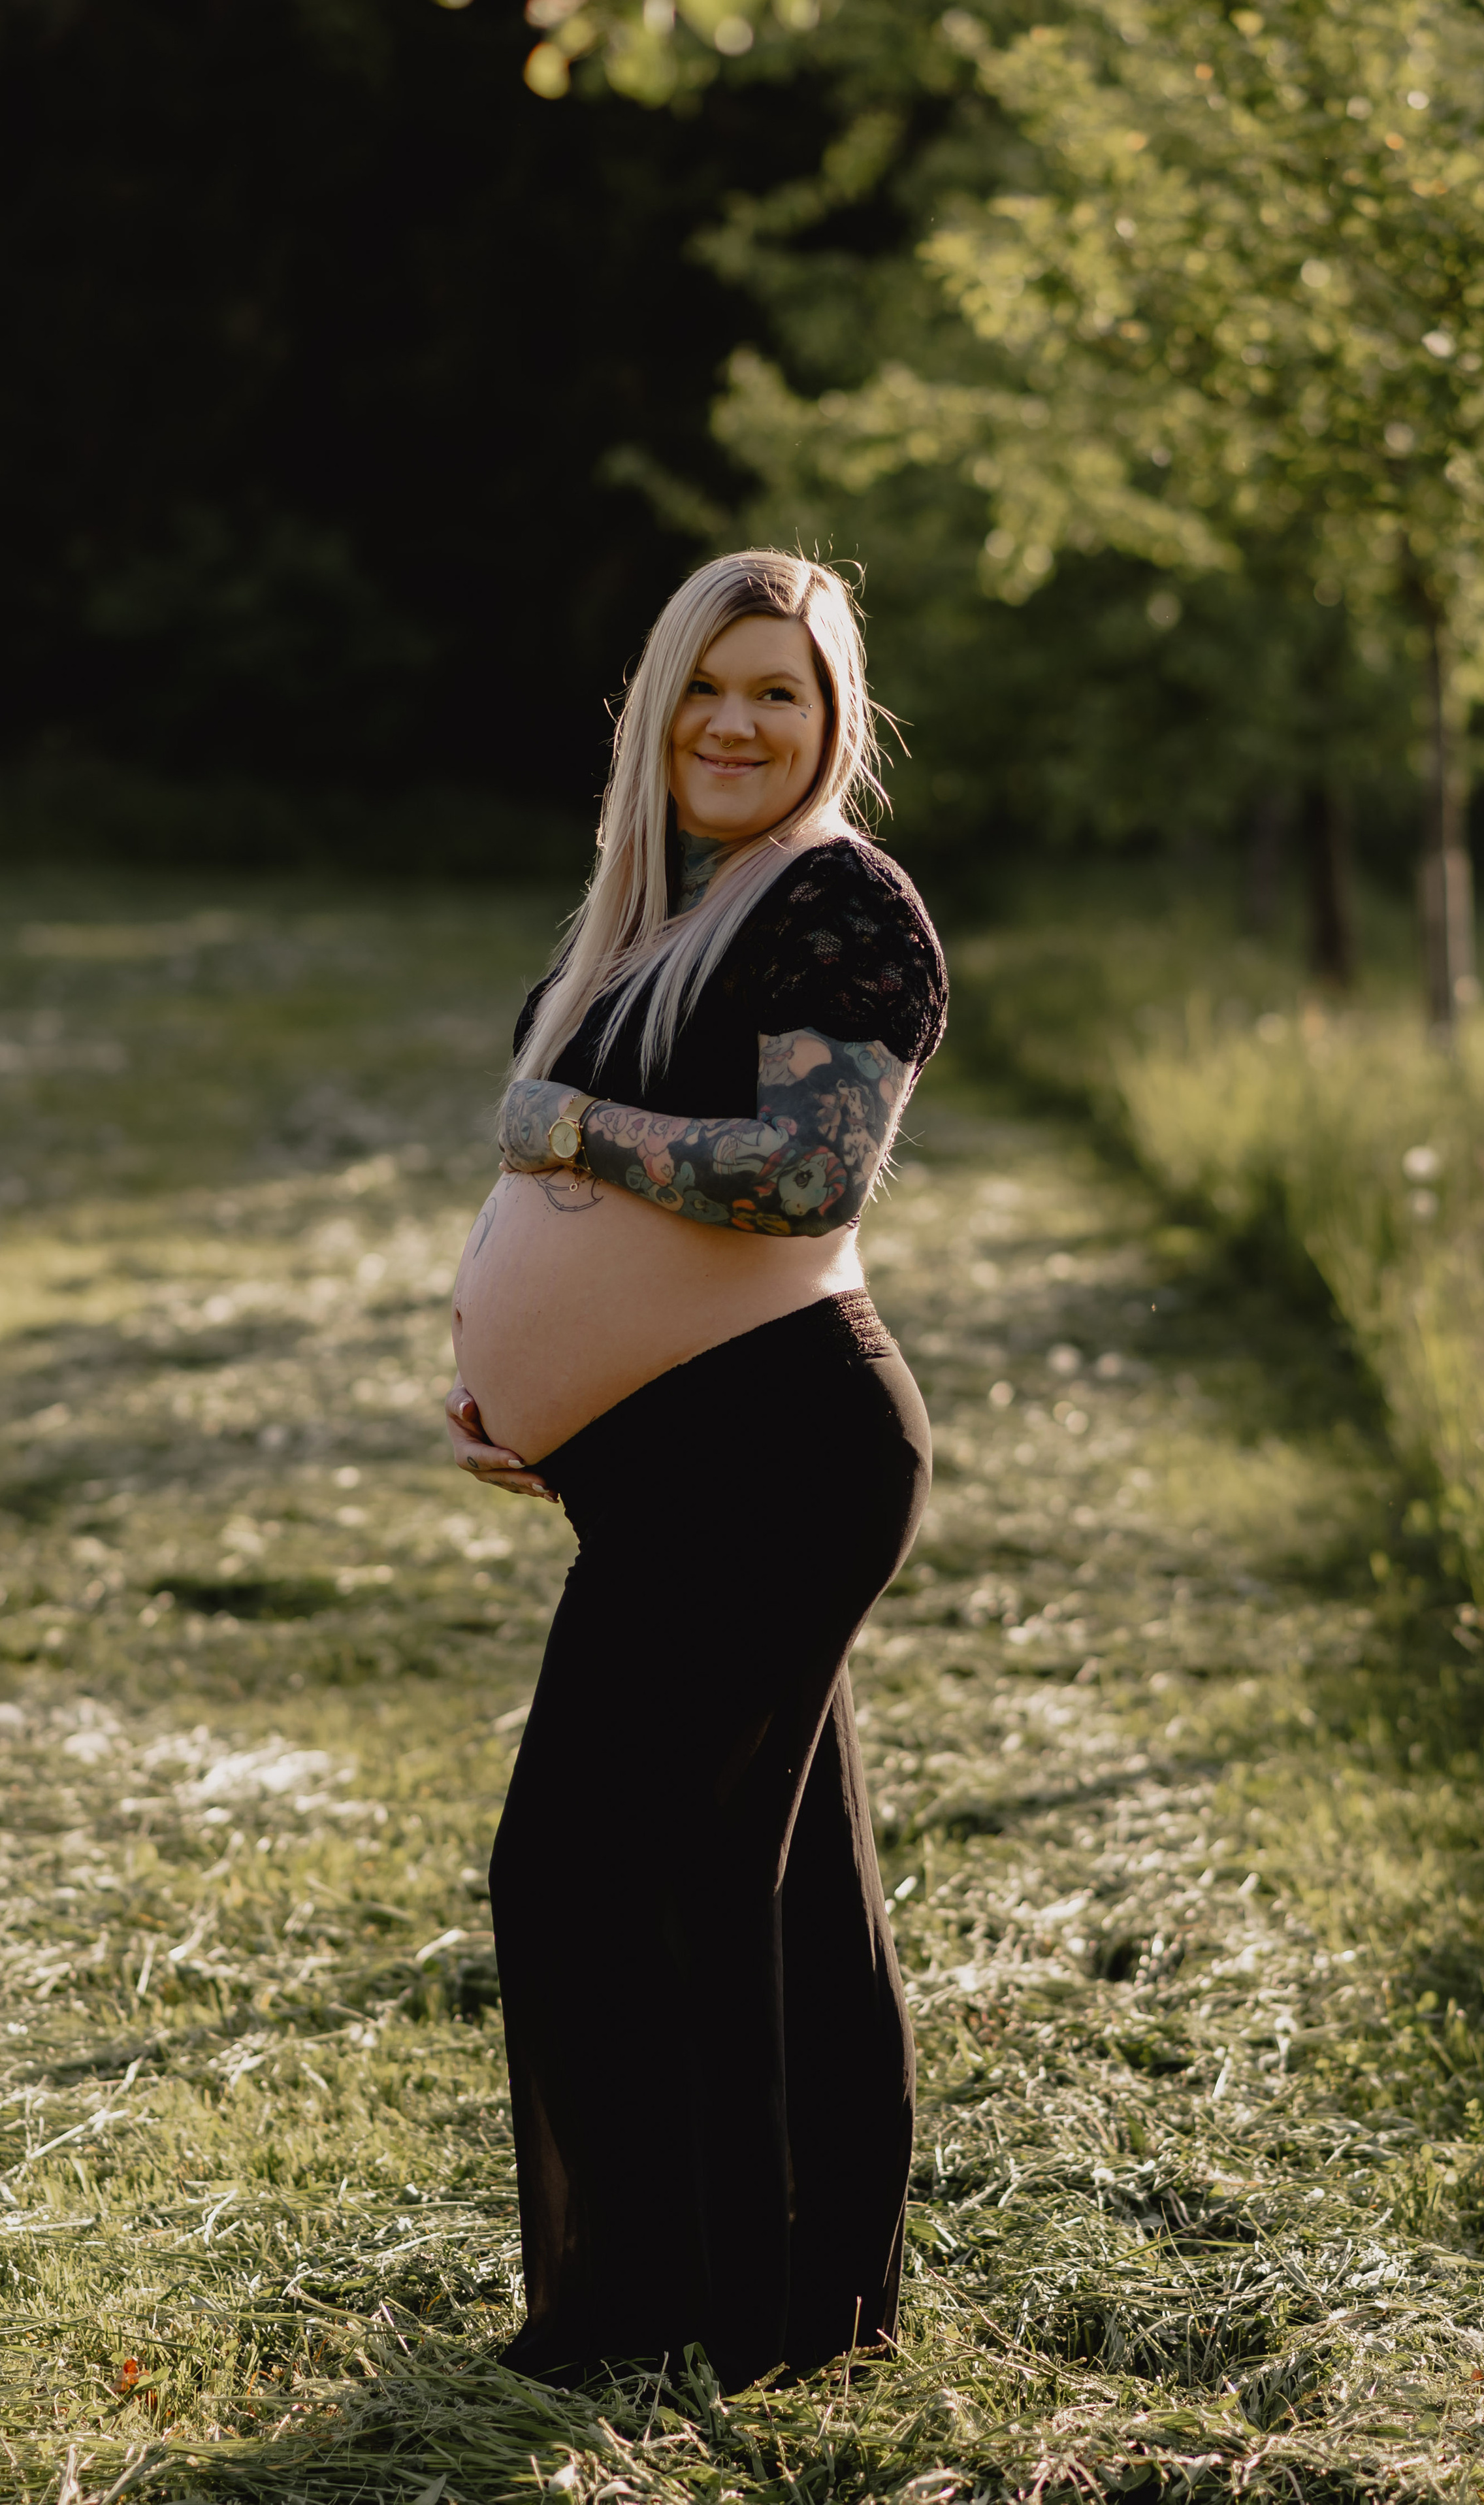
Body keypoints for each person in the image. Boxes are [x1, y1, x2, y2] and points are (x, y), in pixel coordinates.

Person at [444, 549, 948, 2393]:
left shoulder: (839, 908)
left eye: (781, 693)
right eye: (708, 688)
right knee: (764, 1869)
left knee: (579, 1862)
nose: (738, 722)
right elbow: (570, 1221)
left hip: (786, 1451)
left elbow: (809, 1173)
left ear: (833, 725)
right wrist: (518, 1392)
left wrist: (567, 1120)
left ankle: (632, 2304)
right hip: (669, 1468)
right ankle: (789, 2311)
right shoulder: (640, 926)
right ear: (655, 710)